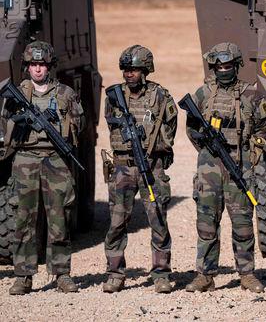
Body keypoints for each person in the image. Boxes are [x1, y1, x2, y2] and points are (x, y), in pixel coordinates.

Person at [184, 42, 266, 293]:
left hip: (240, 166)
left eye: (228, 66)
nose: (223, 70)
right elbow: (191, 129)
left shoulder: (251, 94)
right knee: (207, 224)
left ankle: (247, 274)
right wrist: (207, 146)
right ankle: (205, 275)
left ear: (237, 66)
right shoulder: (202, 95)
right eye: (219, 66)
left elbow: (263, 127)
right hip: (210, 167)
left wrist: (252, 150)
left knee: (242, 223)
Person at [4, 41, 84, 295]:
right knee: (24, 218)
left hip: (56, 159)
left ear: (50, 66)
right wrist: (22, 120)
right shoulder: (18, 94)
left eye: (42, 65)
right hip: (25, 159)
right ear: (26, 67)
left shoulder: (65, 94)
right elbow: (5, 125)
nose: (38, 70)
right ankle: (23, 276)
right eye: (33, 65)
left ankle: (61, 274)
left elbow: (78, 126)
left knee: (59, 218)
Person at [102, 46, 177, 293]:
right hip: (123, 167)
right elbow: (111, 123)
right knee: (116, 222)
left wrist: (157, 147)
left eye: (133, 69)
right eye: (125, 69)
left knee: (158, 220)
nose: (128, 74)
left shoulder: (161, 96)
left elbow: (171, 126)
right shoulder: (114, 96)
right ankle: (115, 273)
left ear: (145, 70)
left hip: (150, 167)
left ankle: (161, 274)